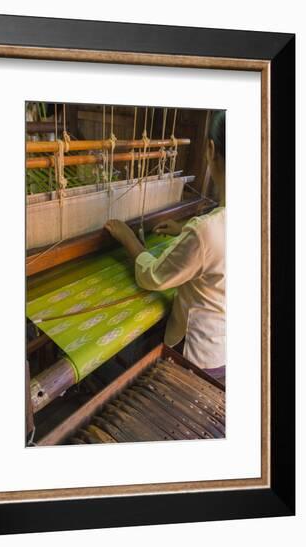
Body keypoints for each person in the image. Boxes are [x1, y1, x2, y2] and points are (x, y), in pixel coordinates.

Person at [104, 111, 226, 384]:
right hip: (224, 350)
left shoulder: (205, 231)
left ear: (211, 150)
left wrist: (127, 237)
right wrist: (184, 230)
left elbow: (152, 276)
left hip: (193, 359)